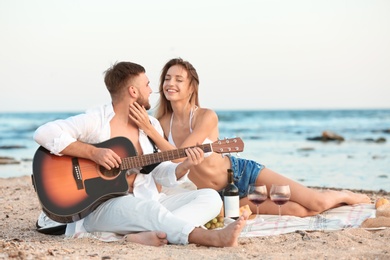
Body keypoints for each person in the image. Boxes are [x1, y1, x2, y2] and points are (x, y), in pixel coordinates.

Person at [33, 61, 249, 247]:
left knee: (210, 198)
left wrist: (185, 166)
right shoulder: (96, 120)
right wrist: (94, 153)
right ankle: (208, 238)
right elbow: (44, 133)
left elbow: (157, 172)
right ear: (133, 92)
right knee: (145, 209)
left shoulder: (150, 124)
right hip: (100, 208)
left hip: (147, 200)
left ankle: (138, 235)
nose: (151, 90)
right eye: (146, 85)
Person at [129, 57, 371, 217]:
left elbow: (182, 152)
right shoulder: (160, 123)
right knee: (299, 212)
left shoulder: (205, 116)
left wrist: (150, 131)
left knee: (315, 203)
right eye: (167, 79)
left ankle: (346, 196)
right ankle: (340, 205)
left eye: (178, 79)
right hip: (217, 199)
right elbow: (166, 165)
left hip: (242, 174)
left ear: (192, 87)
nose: (171, 83)